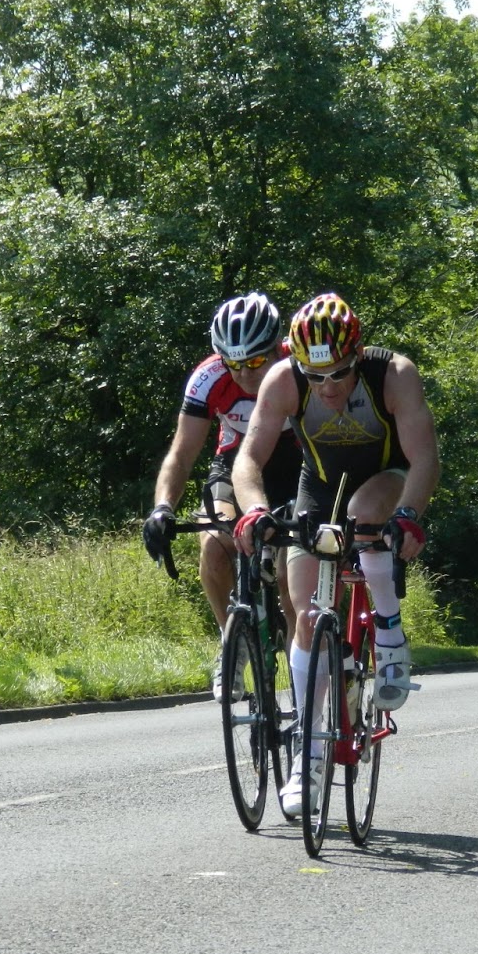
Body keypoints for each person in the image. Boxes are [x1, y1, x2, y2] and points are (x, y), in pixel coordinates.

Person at [231, 293, 440, 817]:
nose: (327, 387)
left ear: (357, 355)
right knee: (305, 614)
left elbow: (424, 457)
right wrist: (254, 511)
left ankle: (389, 632)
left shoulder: (393, 374)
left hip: (385, 477)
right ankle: (308, 755)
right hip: (319, 486)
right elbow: (248, 459)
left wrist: (410, 513)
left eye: (339, 375)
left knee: (367, 512)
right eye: (315, 377)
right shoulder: (283, 381)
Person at [142, 293, 301, 700]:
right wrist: (162, 507)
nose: (245, 373)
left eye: (254, 361)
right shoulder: (209, 377)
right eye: (234, 363)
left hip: (296, 467)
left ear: (276, 347)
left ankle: (305, 663)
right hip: (235, 465)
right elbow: (181, 453)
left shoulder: (297, 368)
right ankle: (234, 643)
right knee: (213, 544)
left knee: (288, 578)